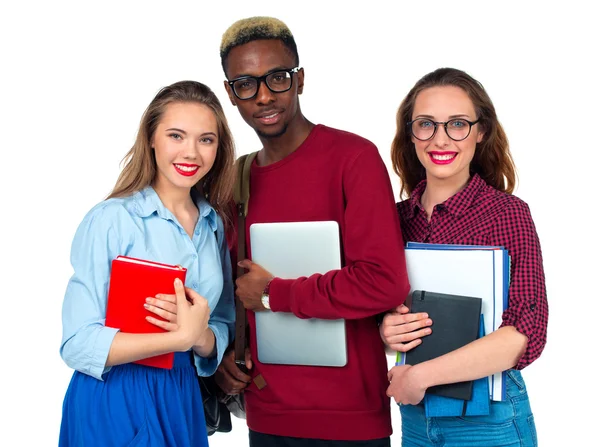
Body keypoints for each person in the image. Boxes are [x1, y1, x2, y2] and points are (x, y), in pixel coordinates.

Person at [212, 16, 410, 447]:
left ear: (299, 80)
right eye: (245, 84)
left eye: (277, 78)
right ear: (231, 94)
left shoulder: (353, 158)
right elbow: (228, 287)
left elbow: (383, 282)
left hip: (351, 417)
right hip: (268, 414)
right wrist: (223, 351)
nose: (264, 96)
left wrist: (273, 294)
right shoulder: (234, 179)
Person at [58, 80, 236, 447]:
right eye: (176, 136)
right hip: (117, 396)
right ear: (151, 138)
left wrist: (199, 338)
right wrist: (178, 337)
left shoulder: (213, 224)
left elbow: (220, 323)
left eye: (206, 139)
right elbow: (77, 342)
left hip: (182, 393)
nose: (191, 153)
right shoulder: (111, 219)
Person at [381, 67, 549, 446]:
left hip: (489, 423)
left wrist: (422, 376)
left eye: (457, 124)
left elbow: (526, 333)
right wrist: (385, 331)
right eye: (426, 124)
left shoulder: (507, 214)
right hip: (415, 417)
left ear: (481, 130)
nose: (440, 139)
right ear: (410, 132)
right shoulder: (393, 219)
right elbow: (374, 309)